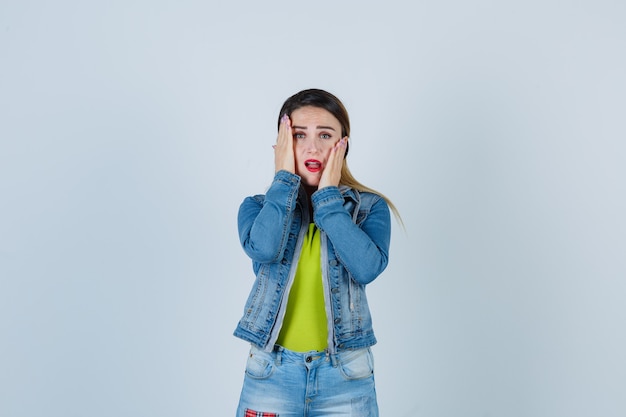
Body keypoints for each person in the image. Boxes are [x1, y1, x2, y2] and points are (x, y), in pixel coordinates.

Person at [234, 89, 400, 417]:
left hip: (345, 374)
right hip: (271, 373)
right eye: (298, 136)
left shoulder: (368, 209)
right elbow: (265, 248)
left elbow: (366, 268)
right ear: (281, 146)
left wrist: (327, 196)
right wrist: (283, 179)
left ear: (344, 146)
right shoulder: (256, 208)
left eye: (325, 135)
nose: (312, 147)